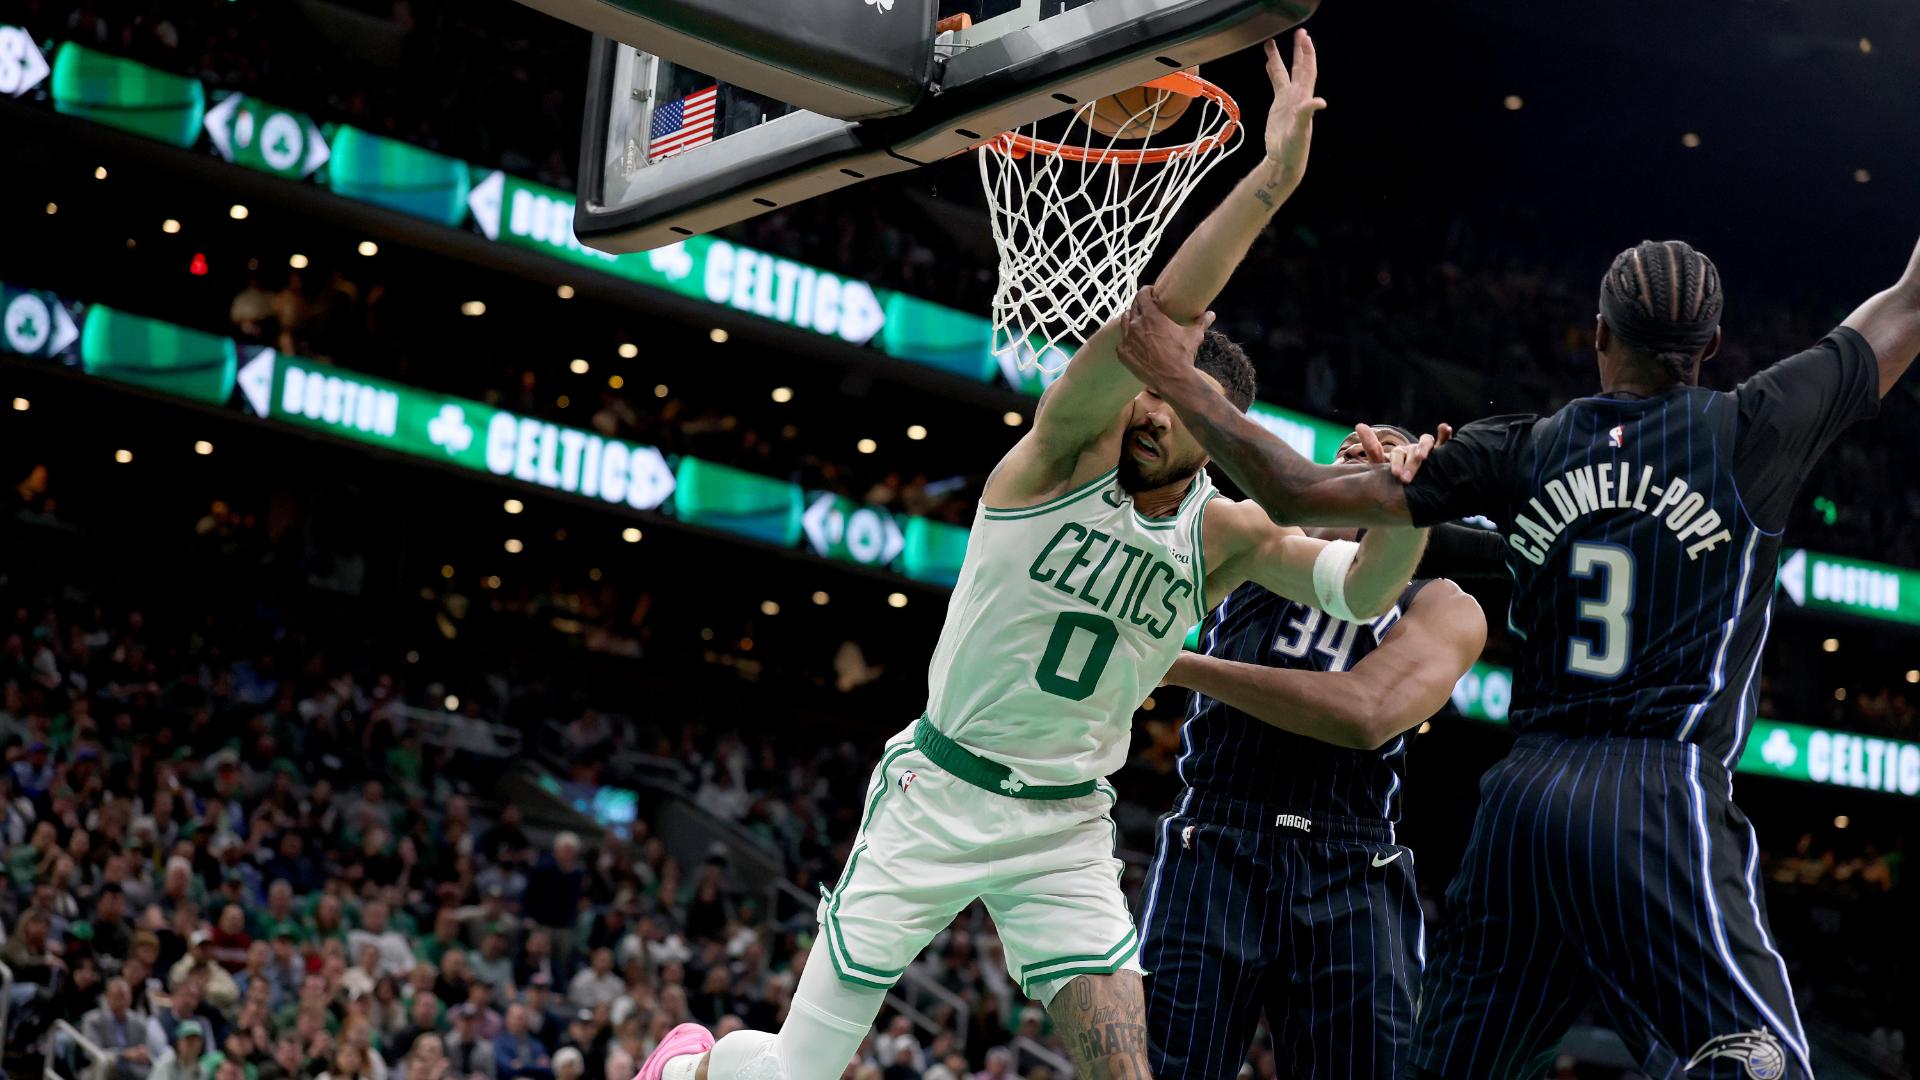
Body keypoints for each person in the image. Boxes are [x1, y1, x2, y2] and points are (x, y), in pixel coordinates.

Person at [636, 29, 1429, 1080]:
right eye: (1150, 390)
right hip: (938, 794)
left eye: (1175, 407)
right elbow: (1166, 313)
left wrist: (1407, 507)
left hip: (1064, 827)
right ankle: (692, 1066)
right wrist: (1270, 182)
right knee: (792, 1075)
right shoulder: (1057, 456)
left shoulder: (1225, 535)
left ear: (1218, 433)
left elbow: (1365, 586)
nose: (1148, 413)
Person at [1115, 211, 1920, 1076]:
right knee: (1756, 1060)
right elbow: (1907, 305)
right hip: (1652, 785)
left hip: (1522, 800)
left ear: (1599, 332)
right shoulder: (1755, 425)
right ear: (1714, 343)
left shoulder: (1525, 447)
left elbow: (1293, 488)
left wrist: (1175, 375)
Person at [1141, 425, 1492, 1079]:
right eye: (1350, 447)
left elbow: (1364, 716)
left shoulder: (1443, 603)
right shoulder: (1256, 536)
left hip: (1354, 861)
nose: (1364, 447)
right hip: (1217, 836)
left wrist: (1182, 666)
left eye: (1391, 445)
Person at [82, 977, 156, 1080]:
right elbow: (92, 1053)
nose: (122, 1001)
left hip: (132, 1070)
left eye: (125, 996)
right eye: (117, 996)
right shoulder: (93, 1020)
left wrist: (143, 1055)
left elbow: (144, 1050)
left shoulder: (139, 1022)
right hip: (103, 1068)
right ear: (107, 997)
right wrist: (123, 1054)